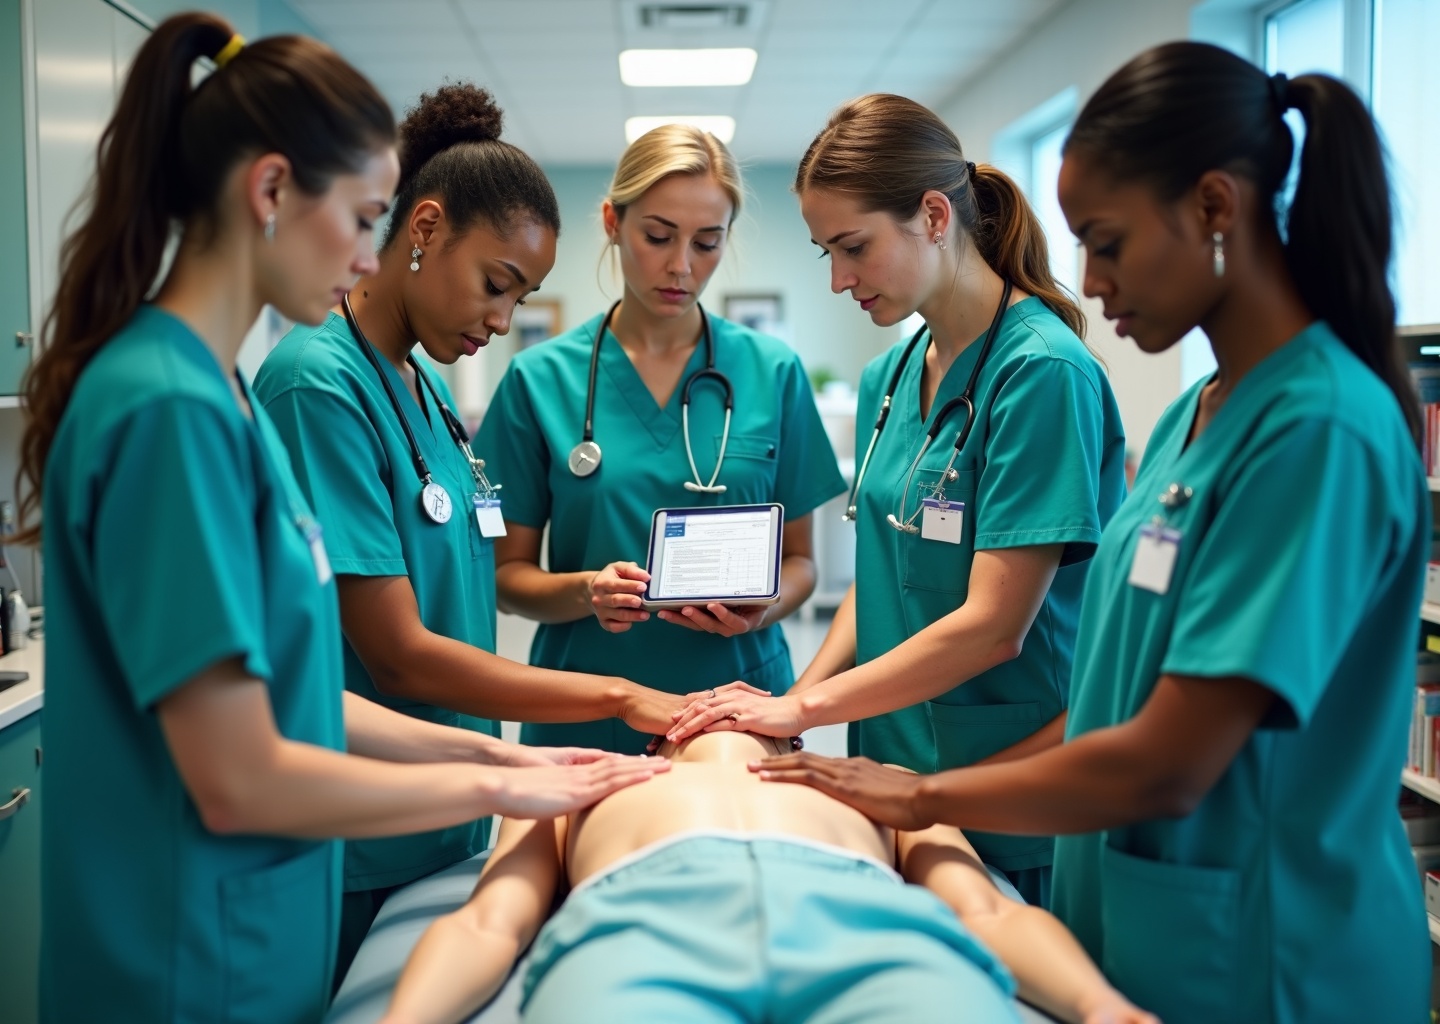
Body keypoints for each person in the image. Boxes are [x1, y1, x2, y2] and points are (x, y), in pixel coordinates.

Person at [753, 43, 1431, 1024]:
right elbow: (1113, 688)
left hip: (1270, 951)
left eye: (1107, 241)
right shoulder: (1198, 417)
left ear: (1214, 206)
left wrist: (925, 796)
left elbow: (1166, 757)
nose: (1088, 280)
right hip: (1134, 915)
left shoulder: (1317, 429)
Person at [22, 17, 666, 1023]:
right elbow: (239, 776)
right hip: (186, 959)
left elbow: (299, 693)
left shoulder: (220, 396)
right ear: (271, 191)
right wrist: (497, 788)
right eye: (366, 218)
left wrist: (505, 757)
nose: (370, 255)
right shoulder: (173, 410)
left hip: (252, 928)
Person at [253, 86, 699, 978]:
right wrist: (614, 697)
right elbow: (400, 658)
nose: (502, 321)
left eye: (520, 296)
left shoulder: (421, 389)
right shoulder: (317, 385)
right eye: (496, 285)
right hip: (359, 827)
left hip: (444, 807)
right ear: (424, 228)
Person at [669, 94, 1126, 907]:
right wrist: (794, 704)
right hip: (892, 770)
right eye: (827, 254)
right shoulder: (892, 375)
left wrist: (806, 706)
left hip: (1010, 784)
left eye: (854, 248)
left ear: (934, 216)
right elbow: (881, 572)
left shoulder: (1041, 374)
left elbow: (994, 626)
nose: (839, 279)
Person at [475, 125, 846, 755]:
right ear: (612, 223)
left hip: (739, 706)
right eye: (657, 236)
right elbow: (506, 575)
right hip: (585, 706)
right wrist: (586, 591)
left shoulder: (772, 372)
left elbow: (803, 563)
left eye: (707, 242)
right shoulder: (539, 379)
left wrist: (765, 606)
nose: (681, 266)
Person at [374, 731, 1157, 1024]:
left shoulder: (878, 783)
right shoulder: (575, 785)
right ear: (658, 735)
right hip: (644, 931)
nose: (719, 702)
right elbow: (488, 924)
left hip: (869, 936)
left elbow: (986, 913)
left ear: (791, 730)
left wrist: (1099, 1007)